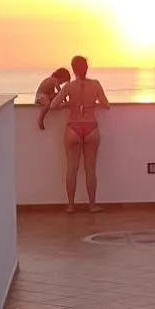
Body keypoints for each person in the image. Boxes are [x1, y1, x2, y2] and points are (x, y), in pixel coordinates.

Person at [49, 56, 108, 213]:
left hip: (73, 127)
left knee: (71, 169)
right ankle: (92, 205)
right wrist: (92, 103)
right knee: (90, 169)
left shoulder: (69, 86)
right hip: (91, 127)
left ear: (73, 69)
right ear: (87, 68)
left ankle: (70, 205)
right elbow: (105, 105)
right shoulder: (95, 84)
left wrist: (68, 104)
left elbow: (53, 105)